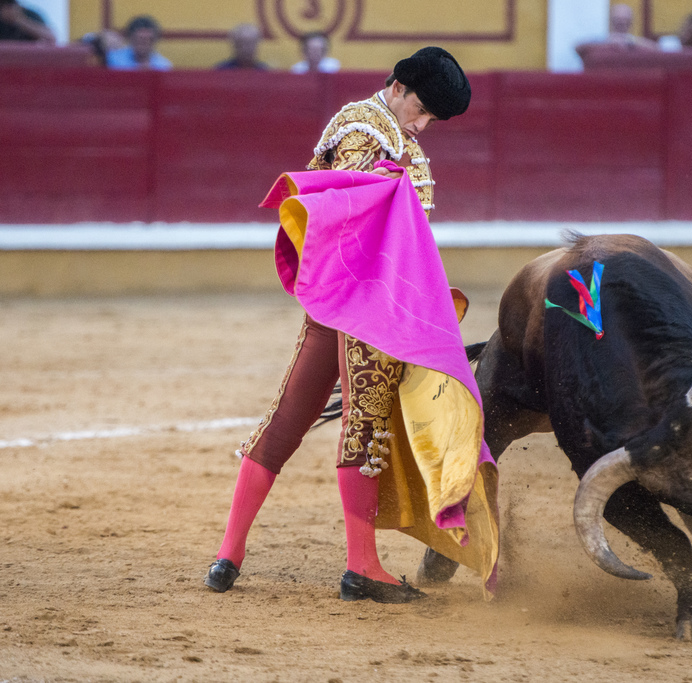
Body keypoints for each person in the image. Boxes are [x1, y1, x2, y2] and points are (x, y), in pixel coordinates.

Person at [204, 47, 498, 605]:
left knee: (288, 419)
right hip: (369, 306)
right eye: (423, 111)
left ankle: (229, 554)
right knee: (361, 427)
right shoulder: (368, 129)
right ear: (400, 86)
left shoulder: (385, 130)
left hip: (340, 300)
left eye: (433, 119)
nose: (424, 125)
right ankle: (361, 567)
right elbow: (360, 213)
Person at [577, 3, 660, 58]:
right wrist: (608, 42)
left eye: (625, 21)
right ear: (611, 21)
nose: (621, 24)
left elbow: (657, 49)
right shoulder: (603, 39)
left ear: (630, 23)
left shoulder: (634, 41)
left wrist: (630, 41)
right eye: (618, 20)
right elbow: (578, 47)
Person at [106, 15, 172, 70]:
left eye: (148, 40)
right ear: (130, 38)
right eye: (139, 39)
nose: (143, 45)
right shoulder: (113, 60)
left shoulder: (163, 66)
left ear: (155, 40)